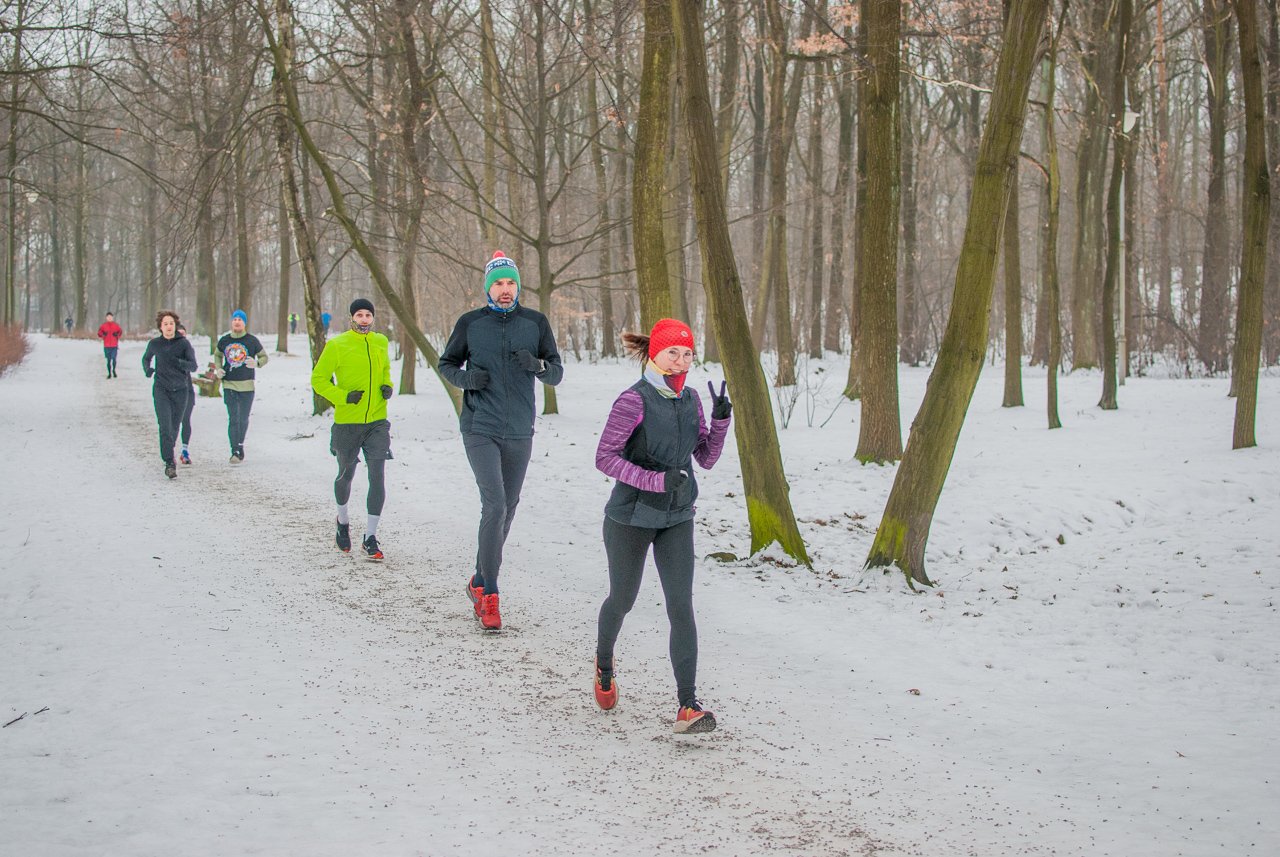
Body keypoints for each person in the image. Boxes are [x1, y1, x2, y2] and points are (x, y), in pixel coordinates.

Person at [591, 319, 732, 734]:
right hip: (631, 517)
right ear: (655, 353)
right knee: (622, 599)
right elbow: (605, 457)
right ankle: (604, 662)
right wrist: (654, 480)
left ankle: (688, 704)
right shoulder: (632, 400)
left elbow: (704, 458)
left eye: (688, 353)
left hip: (677, 516)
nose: (682, 359)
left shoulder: (691, 399)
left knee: (681, 607)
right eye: (674, 351)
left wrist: (721, 424)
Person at [439, 251, 563, 631]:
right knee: (494, 505)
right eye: (498, 284)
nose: (505, 290)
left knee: (508, 507)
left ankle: (478, 578)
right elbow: (446, 364)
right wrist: (466, 381)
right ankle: (490, 593)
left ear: (518, 286)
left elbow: (556, 373)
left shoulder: (535, 323)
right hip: (480, 426)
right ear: (488, 288)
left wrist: (538, 366)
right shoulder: (471, 324)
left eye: (510, 283)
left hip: (520, 429)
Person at [311, 298, 393, 560]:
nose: (365, 319)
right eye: (360, 314)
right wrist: (343, 397)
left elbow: (385, 370)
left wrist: (387, 385)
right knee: (346, 474)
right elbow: (318, 379)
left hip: (377, 422)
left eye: (369, 314)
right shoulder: (337, 345)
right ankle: (343, 520)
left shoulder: (380, 342)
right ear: (351, 319)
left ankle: (370, 537)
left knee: (377, 475)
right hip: (347, 423)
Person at [142, 310, 198, 480]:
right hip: (161, 389)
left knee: (174, 427)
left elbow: (193, 366)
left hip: (180, 390)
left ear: (176, 326)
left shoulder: (183, 344)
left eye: (171, 324)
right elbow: (146, 359)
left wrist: (180, 363)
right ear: (160, 327)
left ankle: (170, 451)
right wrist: (148, 370)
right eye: (165, 324)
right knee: (165, 426)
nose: (168, 327)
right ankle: (169, 463)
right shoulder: (155, 344)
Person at [217, 309, 269, 464]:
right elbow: (217, 354)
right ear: (231, 322)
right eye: (235, 320)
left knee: (243, 418)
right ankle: (235, 450)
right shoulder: (224, 340)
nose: (237, 322)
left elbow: (264, 357)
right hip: (229, 384)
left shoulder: (251, 340)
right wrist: (219, 368)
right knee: (234, 417)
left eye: (240, 320)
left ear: (244, 323)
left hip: (247, 385)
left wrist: (257, 363)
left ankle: (240, 444)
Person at [176, 324, 196, 464]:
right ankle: (170, 450)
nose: (182, 336)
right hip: (171, 391)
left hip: (187, 390)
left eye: (184, 333)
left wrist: (180, 363)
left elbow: (193, 366)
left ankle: (184, 450)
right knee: (173, 423)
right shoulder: (168, 349)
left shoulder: (188, 349)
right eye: (179, 333)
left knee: (186, 420)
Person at [97, 312, 123, 378]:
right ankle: (109, 373)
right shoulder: (103, 326)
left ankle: (114, 370)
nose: (109, 318)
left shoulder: (116, 326)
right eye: (108, 317)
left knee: (114, 358)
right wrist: (103, 335)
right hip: (107, 345)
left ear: (112, 318)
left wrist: (117, 335)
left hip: (114, 345)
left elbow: (120, 333)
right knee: (108, 360)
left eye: (110, 317)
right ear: (106, 318)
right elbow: (99, 334)